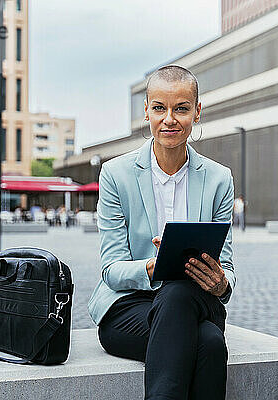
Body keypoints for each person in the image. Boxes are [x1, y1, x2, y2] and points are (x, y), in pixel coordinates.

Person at [87, 65, 235, 400]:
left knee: (178, 293)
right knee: (209, 342)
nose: (169, 119)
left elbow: (227, 268)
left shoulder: (218, 179)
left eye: (181, 108)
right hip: (128, 308)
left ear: (197, 112)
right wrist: (155, 266)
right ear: (147, 112)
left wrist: (221, 284)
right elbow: (111, 270)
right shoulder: (115, 174)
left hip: (197, 299)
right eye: (159, 108)